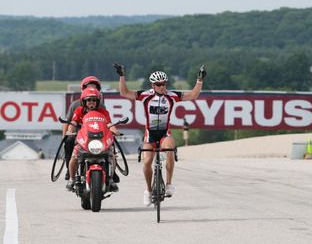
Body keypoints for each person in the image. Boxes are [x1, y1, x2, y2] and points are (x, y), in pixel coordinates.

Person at [113, 62, 207, 206]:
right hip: (150, 134)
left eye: (163, 84)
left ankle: (169, 184)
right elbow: (124, 93)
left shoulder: (172, 96)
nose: (162, 87)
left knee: (170, 149)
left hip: (164, 133)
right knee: (147, 162)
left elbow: (193, 95)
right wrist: (122, 76)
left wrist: (199, 80)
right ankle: (148, 191)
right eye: (158, 84)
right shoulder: (145, 96)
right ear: (153, 85)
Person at [65, 87, 121, 192]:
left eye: (94, 100)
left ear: (98, 101)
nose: (92, 102)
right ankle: (72, 179)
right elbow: (73, 123)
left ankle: (111, 178)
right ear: (84, 101)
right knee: (74, 156)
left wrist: (115, 130)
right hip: (84, 141)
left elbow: (109, 124)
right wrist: (70, 131)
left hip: (100, 141)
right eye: (89, 100)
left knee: (112, 155)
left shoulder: (103, 112)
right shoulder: (78, 110)